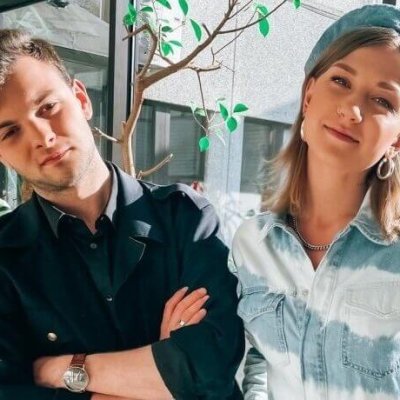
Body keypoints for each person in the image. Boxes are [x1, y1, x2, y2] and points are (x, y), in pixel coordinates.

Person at [0, 29, 244, 399]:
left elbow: (207, 369)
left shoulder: (184, 218)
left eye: (48, 107)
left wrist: (57, 370)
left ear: (81, 99)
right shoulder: (5, 257)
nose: (41, 136)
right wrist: (164, 374)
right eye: (10, 132)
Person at [228, 4, 400, 400]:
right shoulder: (252, 244)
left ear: (397, 139)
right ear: (308, 96)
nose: (351, 110)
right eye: (340, 80)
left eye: (382, 101)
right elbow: (259, 358)